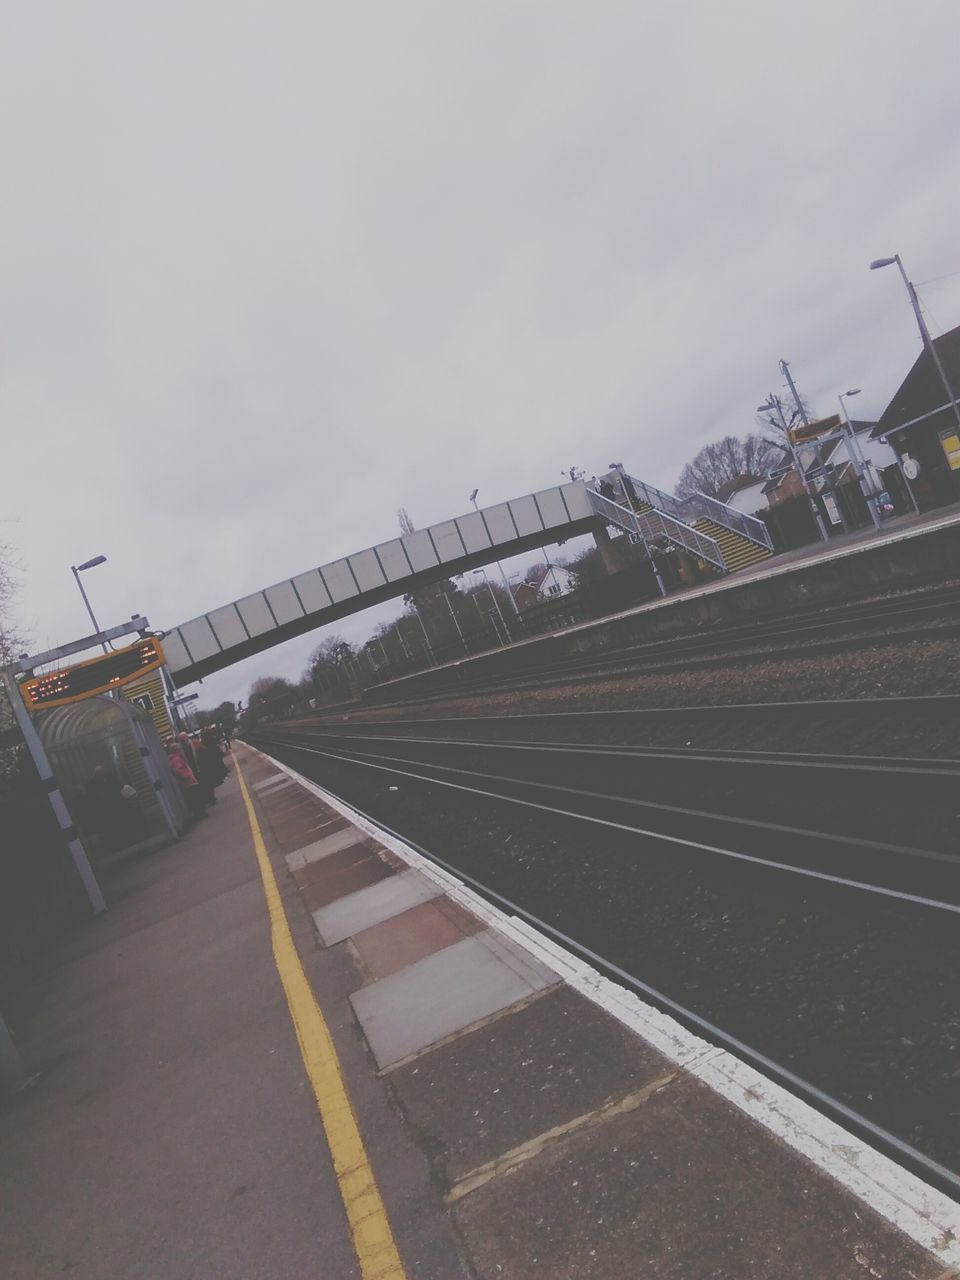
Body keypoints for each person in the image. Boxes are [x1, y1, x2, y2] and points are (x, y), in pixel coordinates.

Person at [165, 740, 205, 819]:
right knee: (196, 798)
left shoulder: (177, 758)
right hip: (188, 782)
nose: (181, 749)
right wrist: (188, 775)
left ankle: (200, 813)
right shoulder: (176, 759)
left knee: (195, 797)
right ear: (176, 750)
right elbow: (179, 770)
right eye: (179, 748)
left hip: (189, 781)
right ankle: (200, 813)